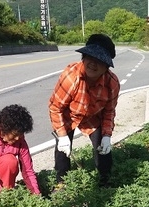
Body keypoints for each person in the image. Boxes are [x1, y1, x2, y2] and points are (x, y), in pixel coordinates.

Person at [49, 34, 120, 187]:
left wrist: (107, 135)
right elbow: (56, 107)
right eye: (90, 58)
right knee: (62, 150)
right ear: (84, 57)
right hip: (68, 114)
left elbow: (109, 111)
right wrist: (62, 136)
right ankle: (61, 184)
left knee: (103, 148)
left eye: (99, 61)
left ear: (106, 66)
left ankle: (105, 182)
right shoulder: (71, 77)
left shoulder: (111, 83)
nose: (93, 64)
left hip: (93, 116)